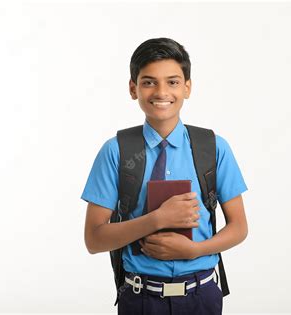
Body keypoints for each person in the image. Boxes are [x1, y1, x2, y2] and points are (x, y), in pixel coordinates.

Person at [82, 37, 248, 315]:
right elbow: (94, 239)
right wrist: (157, 219)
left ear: (187, 87)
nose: (161, 92)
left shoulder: (213, 147)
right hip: (140, 298)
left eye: (172, 82)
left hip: (202, 295)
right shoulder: (116, 152)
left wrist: (194, 250)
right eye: (148, 82)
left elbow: (239, 227)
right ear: (133, 88)